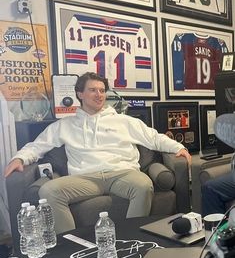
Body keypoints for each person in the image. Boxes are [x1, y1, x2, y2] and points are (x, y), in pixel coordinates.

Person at [5, 72, 191, 234]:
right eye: (93, 90)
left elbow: (154, 138)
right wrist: (20, 158)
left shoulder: (124, 121)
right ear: (80, 94)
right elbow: (38, 145)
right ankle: (72, 245)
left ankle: (131, 237)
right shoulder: (65, 125)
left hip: (123, 174)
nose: (99, 94)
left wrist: (178, 148)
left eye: (102, 90)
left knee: (143, 186)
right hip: (86, 179)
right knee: (48, 190)